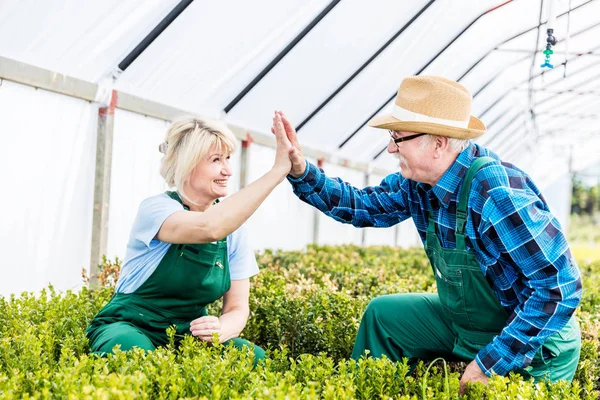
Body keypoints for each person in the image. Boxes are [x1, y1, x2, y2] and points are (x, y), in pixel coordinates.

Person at [273, 76, 582, 390]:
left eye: (398, 138)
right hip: (473, 325)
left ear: (439, 143)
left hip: (537, 342)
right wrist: (301, 170)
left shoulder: (494, 191)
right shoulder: (418, 184)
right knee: (383, 317)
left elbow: (559, 287)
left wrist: (490, 364)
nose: (391, 148)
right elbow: (363, 206)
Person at [87, 113, 296, 364]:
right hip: (131, 326)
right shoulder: (157, 210)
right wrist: (278, 171)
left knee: (255, 359)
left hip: (189, 337)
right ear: (188, 165)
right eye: (216, 160)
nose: (228, 170)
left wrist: (222, 328)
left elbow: (238, 308)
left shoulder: (234, 230)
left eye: (228, 158)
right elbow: (209, 228)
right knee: (135, 356)